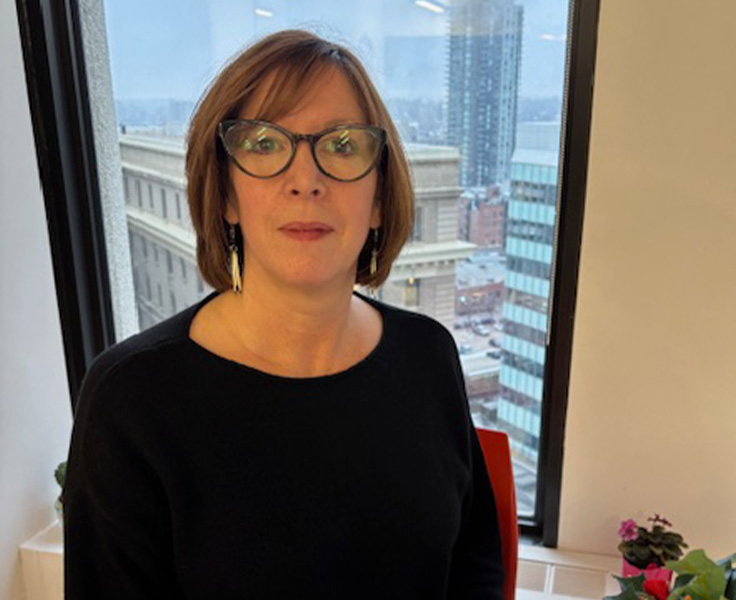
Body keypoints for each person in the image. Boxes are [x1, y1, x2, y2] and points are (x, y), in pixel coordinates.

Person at [63, 29, 505, 599]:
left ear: (377, 197)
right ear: (225, 194)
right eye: (265, 145)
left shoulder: (429, 356)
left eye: (343, 145)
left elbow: (475, 570)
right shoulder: (131, 400)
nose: (306, 181)